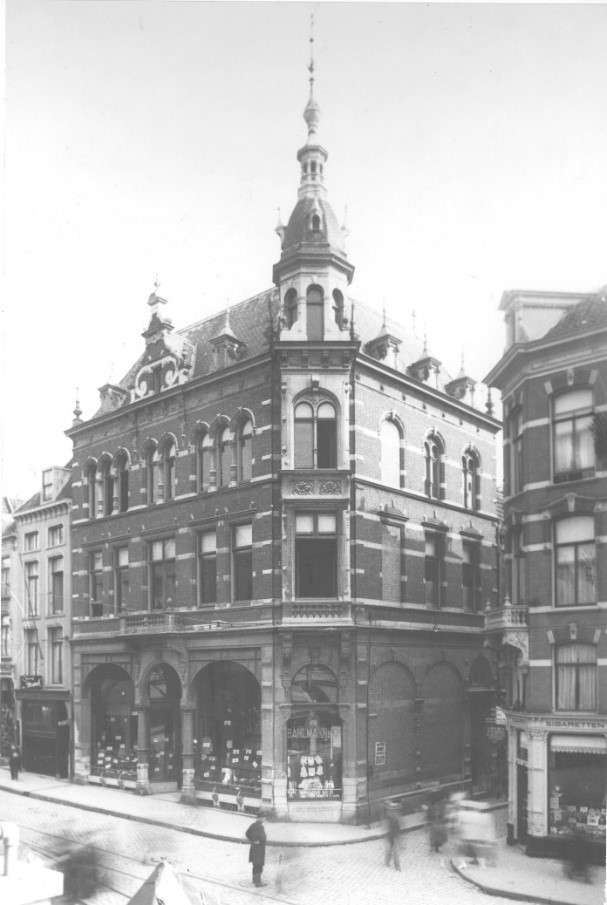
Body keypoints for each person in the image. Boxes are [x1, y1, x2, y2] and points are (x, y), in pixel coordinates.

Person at [245, 815, 267, 887]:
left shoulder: (253, 825)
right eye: (264, 817)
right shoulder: (260, 827)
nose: (265, 819)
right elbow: (262, 838)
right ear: (259, 818)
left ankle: (255, 880)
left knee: (255, 865)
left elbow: (247, 833)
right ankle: (258, 882)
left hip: (254, 848)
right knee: (259, 865)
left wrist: (252, 840)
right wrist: (258, 841)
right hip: (259, 849)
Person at [384, 801, 401, 870]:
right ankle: (387, 861)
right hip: (390, 836)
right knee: (390, 850)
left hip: (394, 836)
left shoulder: (395, 818)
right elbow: (387, 828)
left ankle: (397, 866)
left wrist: (398, 834)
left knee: (395, 851)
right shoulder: (388, 818)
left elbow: (398, 827)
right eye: (391, 810)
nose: (393, 812)